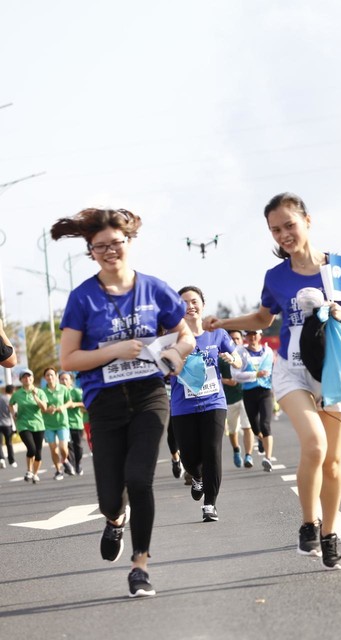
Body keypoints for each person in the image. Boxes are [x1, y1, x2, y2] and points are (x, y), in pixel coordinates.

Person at [205, 192, 341, 570]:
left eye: (289, 225)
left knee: (333, 462)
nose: (283, 234)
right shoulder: (276, 276)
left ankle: (329, 534)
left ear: (307, 221)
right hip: (292, 369)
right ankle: (308, 523)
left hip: (336, 370)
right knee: (315, 445)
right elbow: (263, 318)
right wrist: (224, 323)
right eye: (275, 230)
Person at [52, 207, 195, 598]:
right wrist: (114, 351)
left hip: (149, 394)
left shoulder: (155, 289)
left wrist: (176, 352)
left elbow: (186, 336)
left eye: (116, 243)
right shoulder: (82, 298)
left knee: (139, 478)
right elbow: (68, 359)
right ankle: (115, 520)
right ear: (91, 251)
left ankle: (140, 566)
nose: (109, 251)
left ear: (129, 241)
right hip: (104, 401)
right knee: (110, 497)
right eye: (100, 246)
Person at [171, 286, 243, 523]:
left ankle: (210, 504)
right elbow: (161, 367)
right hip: (183, 406)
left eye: (194, 301)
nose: (190, 306)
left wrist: (232, 359)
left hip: (214, 402)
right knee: (189, 457)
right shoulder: (172, 337)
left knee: (212, 451)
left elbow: (239, 361)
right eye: (184, 303)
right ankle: (197, 476)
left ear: (202, 304)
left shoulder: (217, 334)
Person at [235, 329, 276, 471]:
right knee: (255, 427)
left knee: (265, 424)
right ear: (245, 337)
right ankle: (260, 438)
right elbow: (236, 376)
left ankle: (268, 458)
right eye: (249, 334)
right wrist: (255, 374)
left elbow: (274, 372)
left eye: (255, 334)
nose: (252, 337)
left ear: (260, 335)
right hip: (249, 392)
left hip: (266, 392)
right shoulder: (241, 352)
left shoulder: (268, 351)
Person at [221, 329, 254, 468]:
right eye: (232, 339)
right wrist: (226, 381)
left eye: (237, 338)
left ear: (242, 340)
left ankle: (248, 456)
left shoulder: (247, 356)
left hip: (245, 396)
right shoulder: (222, 358)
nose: (235, 341)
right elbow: (217, 377)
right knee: (233, 430)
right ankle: (236, 450)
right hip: (229, 399)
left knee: (247, 426)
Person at [11, 370, 46, 483]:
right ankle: (29, 471)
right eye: (24, 377)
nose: (27, 379)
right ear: (21, 380)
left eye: (29, 377)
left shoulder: (40, 392)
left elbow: (44, 408)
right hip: (23, 425)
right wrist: (14, 413)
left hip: (38, 425)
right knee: (31, 448)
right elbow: (11, 404)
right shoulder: (17, 394)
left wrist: (35, 396)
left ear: (33, 378)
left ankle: (35, 474)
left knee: (38, 454)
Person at [40, 367, 73, 479]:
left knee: (63, 448)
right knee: (53, 450)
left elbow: (69, 402)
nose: (50, 377)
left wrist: (63, 407)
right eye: (47, 375)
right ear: (45, 378)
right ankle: (59, 471)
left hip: (62, 423)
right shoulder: (42, 392)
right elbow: (40, 408)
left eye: (52, 375)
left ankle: (64, 460)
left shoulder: (63, 389)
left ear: (56, 376)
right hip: (48, 424)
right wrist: (47, 409)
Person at [60, 372, 86, 475]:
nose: (64, 381)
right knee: (67, 445)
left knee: (77, 445)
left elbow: (86, 403)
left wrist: (75, 404)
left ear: (71, 381)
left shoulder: (76, 392)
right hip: (63, 423)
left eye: (66, 379)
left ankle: (78, 463)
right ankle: (71, 464)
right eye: (62, 379)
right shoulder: (58, 393)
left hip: (76, 422)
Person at [0, 384, 15, 469]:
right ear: (13, 391)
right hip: (8, 424)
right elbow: (14, 413)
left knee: (0, 443)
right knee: (9, 443)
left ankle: (1, 459)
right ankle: (11, 460)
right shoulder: (11, 400)